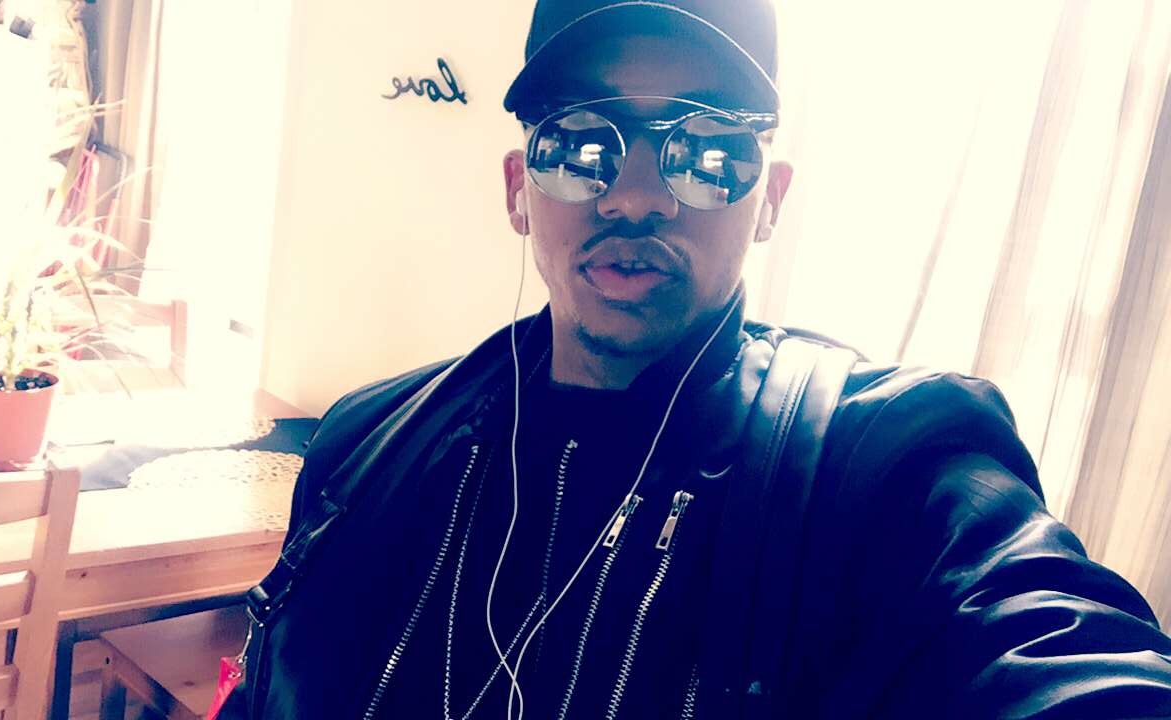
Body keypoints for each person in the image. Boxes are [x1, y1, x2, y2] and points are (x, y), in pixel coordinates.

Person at [224, 1, 1171, 718]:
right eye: (581, 145)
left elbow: (1052, 649)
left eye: (706, 153)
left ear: (770, 201)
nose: (635, 197)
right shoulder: (367, 443)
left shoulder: (882, 466)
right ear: (519, 189)